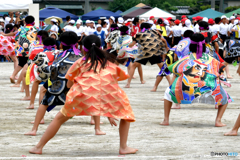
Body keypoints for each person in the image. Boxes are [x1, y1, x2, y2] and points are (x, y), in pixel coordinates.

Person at [28, 35, 138, 155]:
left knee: (59, 119)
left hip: (81, 94)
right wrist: (109, 112)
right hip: (107, 94)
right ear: (101, 47)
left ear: (83, 48)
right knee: (126, 116)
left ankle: (38, 147)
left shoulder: (80, 62)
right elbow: (110, 85)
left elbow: (69, 84)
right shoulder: (109, 63)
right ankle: (123, 147)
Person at [160, 33, 230, 127]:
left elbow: (173, 69)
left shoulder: (184, 59)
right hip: (209, 90)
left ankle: (165, 120)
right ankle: (218, 121)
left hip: (185, 91)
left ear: (190, 45)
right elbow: (220, 71)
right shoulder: (212, 60)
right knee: (225, 97)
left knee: (167, 93)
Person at [25, 31, 82, 136]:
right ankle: (97, 127)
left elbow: (51, 70)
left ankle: (34, 129)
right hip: (77, 88)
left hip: (58, 86)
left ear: (61, 44)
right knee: (92, 98)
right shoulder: (81, 57)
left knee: (44, 103)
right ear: (77, 43)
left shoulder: (60, 56)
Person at [125, 23, 167, 88]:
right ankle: (170, 83)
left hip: (143, 52)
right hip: (154, 51)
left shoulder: (138, 34)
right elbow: (163, 40)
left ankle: (128, 84)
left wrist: (128, 45)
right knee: (162, 67)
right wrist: (166, 47)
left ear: (141, 28)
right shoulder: (155, 32)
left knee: (133, 66)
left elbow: (132, 44)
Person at [10, 15, 39, 84]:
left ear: (25, 22)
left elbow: (14, 34)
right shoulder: (36, 28)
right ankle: (30, 79)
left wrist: (4, 34)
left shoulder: (21, 28)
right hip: (32, 49)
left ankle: (13, 75)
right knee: (31, 64)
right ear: (33, 22)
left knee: (21, 64)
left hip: (21, 49)